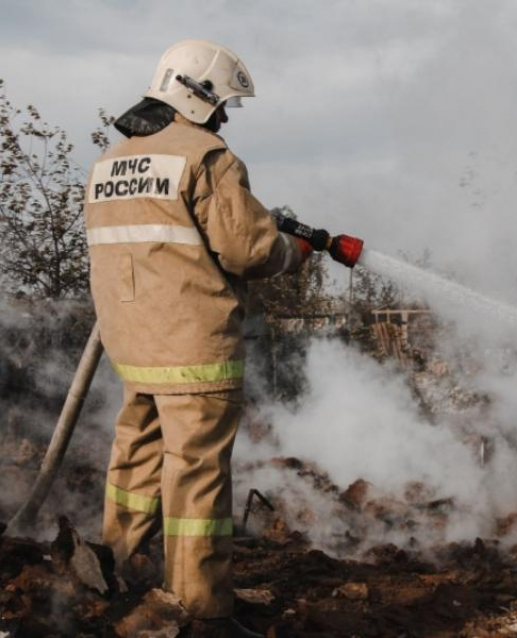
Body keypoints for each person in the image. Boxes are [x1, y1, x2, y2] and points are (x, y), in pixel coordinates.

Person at [83, 40, 312, 637]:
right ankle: (202, 611)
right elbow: (249, 249)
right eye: (224, 104)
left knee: (134, 459)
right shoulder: (208, 157)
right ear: (199, 93)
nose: (226, 117)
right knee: (196, 476)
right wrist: (295, 252)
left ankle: (112, 575)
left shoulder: (112, 161)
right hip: (192, 348)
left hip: (132, 346)